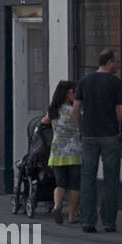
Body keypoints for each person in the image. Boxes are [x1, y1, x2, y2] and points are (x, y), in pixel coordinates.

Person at [73, 49, 122, 233]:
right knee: (111, 179)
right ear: (108, 62)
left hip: (89, 136)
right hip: (110, 135)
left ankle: (87, 221)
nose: (117, 64)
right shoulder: (116, 83)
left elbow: (76, 109)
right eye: (115, 61)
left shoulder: (84, 81)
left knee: (88, 177)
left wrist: (80, 129)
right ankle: (109, 222)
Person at [42, 80, 81, 225]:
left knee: (60, 183)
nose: (75, 95)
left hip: (57, 151)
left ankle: (57, 206)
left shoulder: (52, 111)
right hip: (75, 151)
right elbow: (80, 126)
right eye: (73, 92)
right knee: (75, 185)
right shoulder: (74, 111)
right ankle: (71, 215)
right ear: (67, 93)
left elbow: (44, 122)